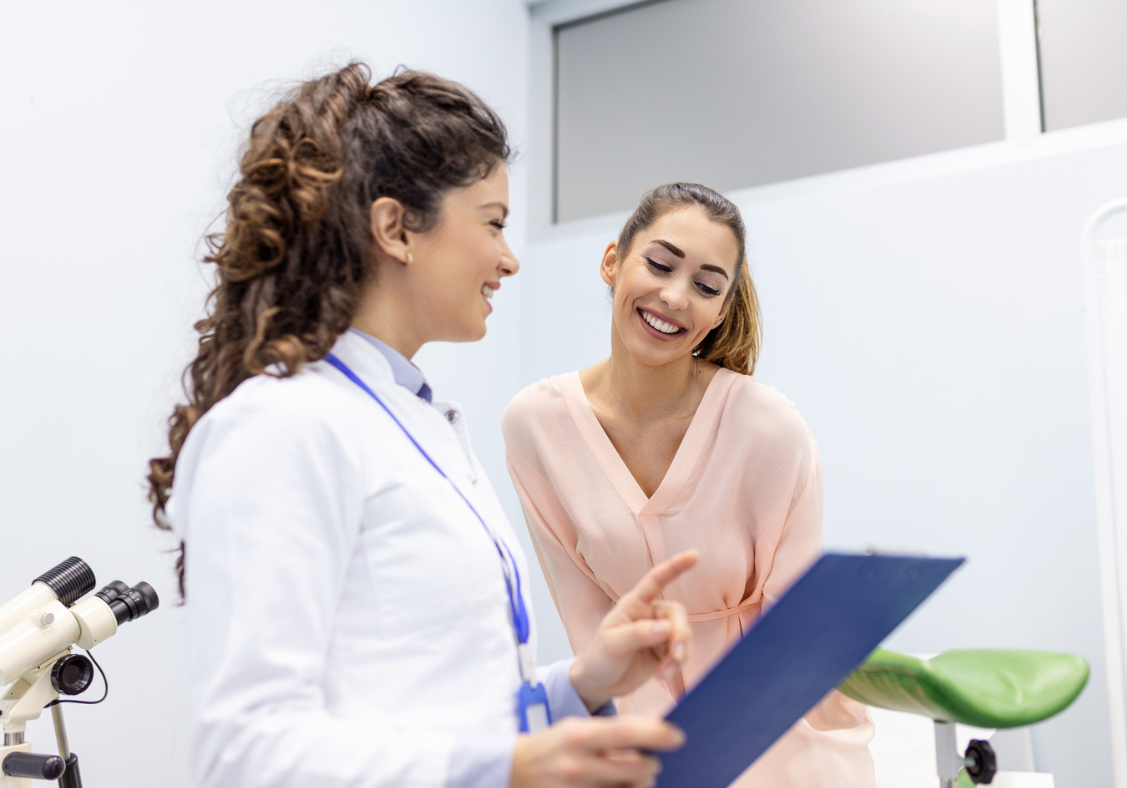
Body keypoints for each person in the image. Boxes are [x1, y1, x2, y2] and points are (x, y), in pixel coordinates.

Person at [147, 63, 697, 788]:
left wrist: (580, 685)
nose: (508, 259)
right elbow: (245, 755)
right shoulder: (282, 428)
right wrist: (505, 769)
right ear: (396, 228)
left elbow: (431, 701)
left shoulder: (416, 421)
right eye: (494, 222)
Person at [502, 183, 876, 787]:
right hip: (643, 733)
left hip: (782, 727)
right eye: (659, 264)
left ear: (722, 310)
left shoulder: (769, 427)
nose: (674, 297)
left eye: (706, 286)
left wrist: (712, 756)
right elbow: (590, 621)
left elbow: (793, 629)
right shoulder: (535, 424)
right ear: (612, 261)